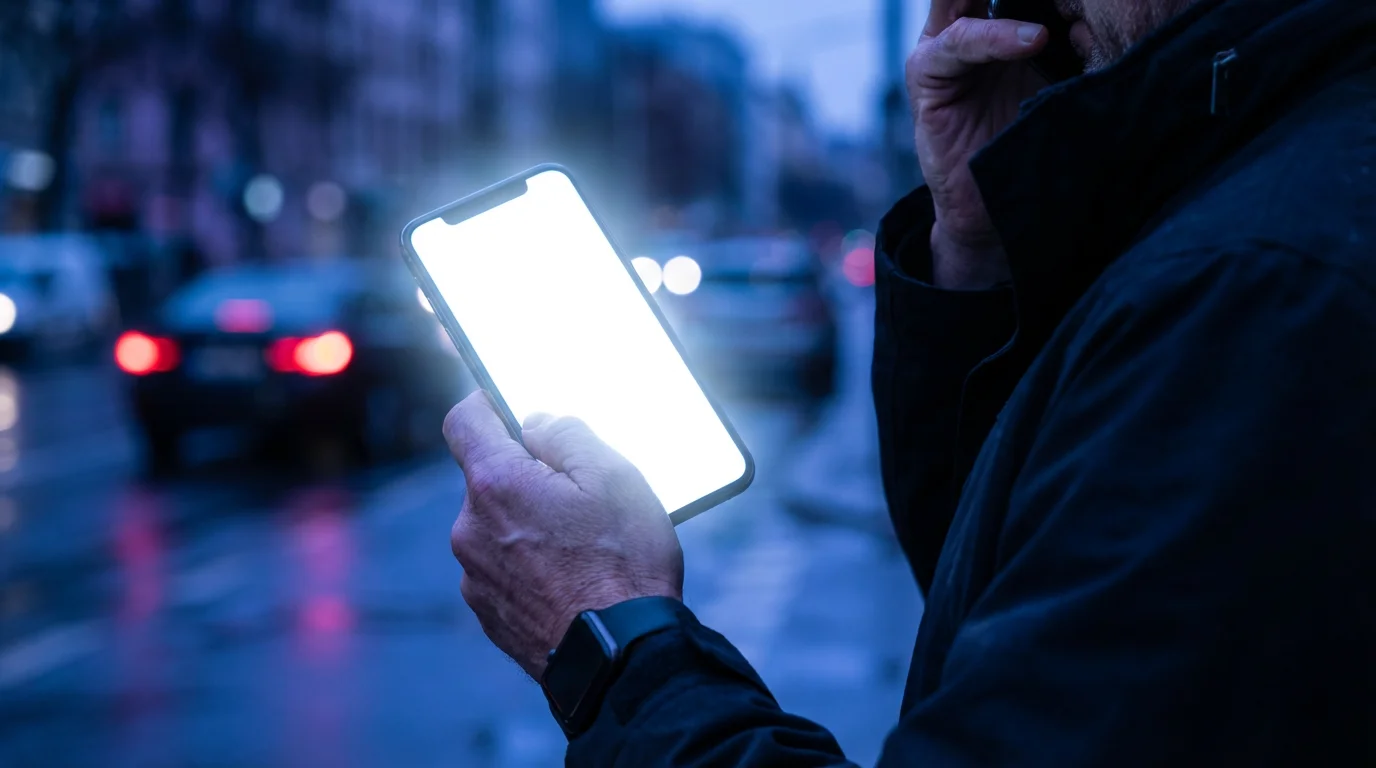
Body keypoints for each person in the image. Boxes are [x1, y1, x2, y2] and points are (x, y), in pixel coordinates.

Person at [442, 0, 1376, 763]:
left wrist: (607, 636)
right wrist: (977, 248)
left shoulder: (1256, 290)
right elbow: (1009, 601)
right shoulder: (1267, 200)